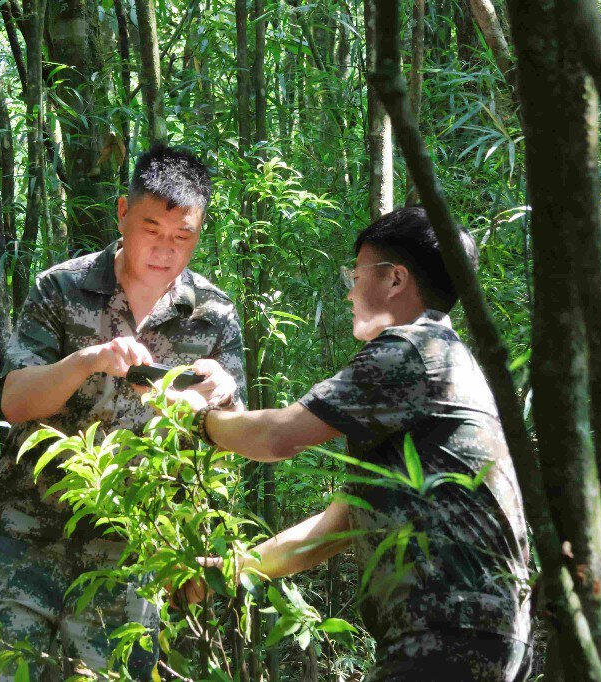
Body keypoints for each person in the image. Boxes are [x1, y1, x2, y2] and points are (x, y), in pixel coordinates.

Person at [174, 207, 531, 681]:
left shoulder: (410, 350)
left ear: (395, 279)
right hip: (485, 633)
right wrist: (226, 570)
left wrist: (196, 418)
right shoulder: (444, 361)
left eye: (356, 275)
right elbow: (332, 529)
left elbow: (280, 436)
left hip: (447, 633)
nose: (348, 291)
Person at [0, 145, 247, 680]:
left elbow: (234, 436)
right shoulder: (60, 288)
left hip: (129, 555)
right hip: (26, 537)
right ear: (123, 213)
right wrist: (88, 360)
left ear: (199, 233)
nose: (164, 249)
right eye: (151, 229)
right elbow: (16, 400)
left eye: (182, 236)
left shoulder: (213, 315)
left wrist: (221, 397)